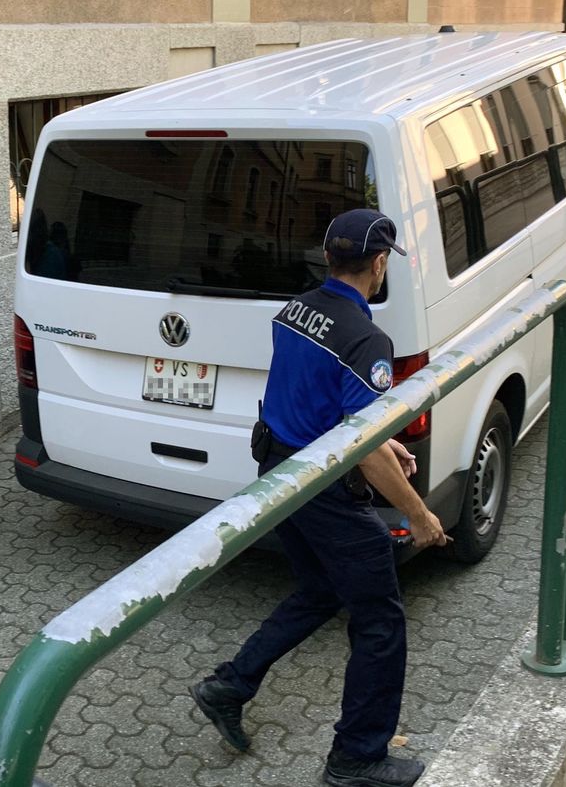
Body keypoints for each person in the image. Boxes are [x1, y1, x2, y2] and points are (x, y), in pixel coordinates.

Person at [189, 209, 450, 787]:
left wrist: (387, 446)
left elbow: (324, 403)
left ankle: (228, 686)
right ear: (379, 264)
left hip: (278, 469)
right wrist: (420, 514)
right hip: (324, 490)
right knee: (380, 622)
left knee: (321, 590)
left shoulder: (296, 309)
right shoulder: (366, 337)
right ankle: (356, 757)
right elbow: (361, 443)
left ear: (329, 257)